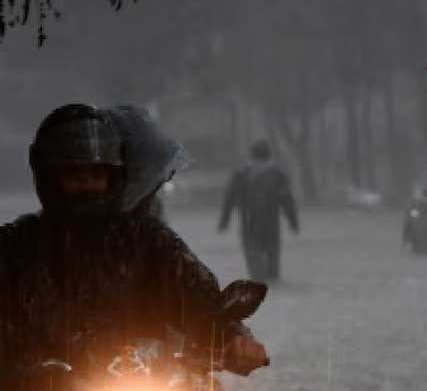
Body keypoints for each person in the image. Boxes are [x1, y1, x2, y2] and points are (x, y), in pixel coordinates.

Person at [0, 103, 268, 375]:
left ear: (114, 179)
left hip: (140, 389)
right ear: (50, 180)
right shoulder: (16, 247)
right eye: (74, 176)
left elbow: (199, 300)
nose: (88, 185)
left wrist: (232, 337)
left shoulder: (148, 241)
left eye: (97, 175)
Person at [219, 139, 299, 282]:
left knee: (253, 253)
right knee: (272, 252)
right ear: (269, 155)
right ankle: (272, 277)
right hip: (271, 221)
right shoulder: (276, 173)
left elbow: (229, 198)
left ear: (251, 154)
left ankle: (259, 279)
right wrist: (293, 222)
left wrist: (224, 221)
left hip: (249, 221)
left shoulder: (241, 173)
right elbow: (287, 199)